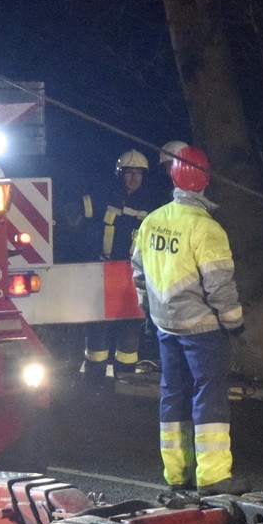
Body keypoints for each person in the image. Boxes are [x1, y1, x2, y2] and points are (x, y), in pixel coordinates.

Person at [131, 146, 249, 497]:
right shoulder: (206, 228)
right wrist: (235, 324)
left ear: (174, 178)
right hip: (203, 330)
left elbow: (139, 274)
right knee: (208, 397)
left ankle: (177, 473)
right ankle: (213, 476)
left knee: (172, 395)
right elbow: (220, 287)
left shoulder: (152, 220)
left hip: (165, 326)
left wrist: (148, 312)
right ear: (205, 182)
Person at [82, 149, 162, 383]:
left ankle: (125, 377)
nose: (134, 178)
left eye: (138, 174)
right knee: (99, 323)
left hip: (133, 272)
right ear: (120, 174)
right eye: (129, 173)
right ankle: (94, 377)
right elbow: (87, 221)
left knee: (129, 326)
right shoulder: (105, 196)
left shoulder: (151, 203)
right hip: (103, 268)